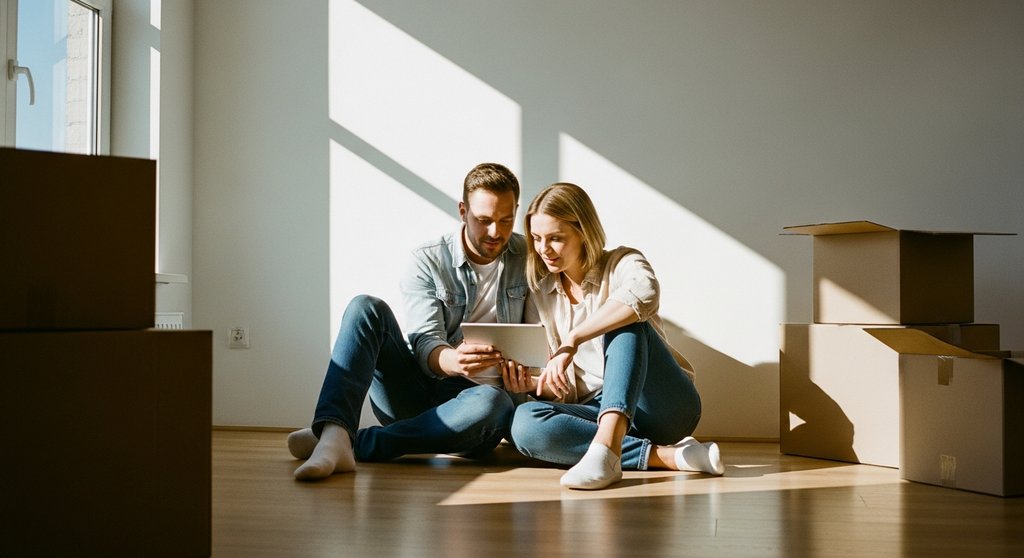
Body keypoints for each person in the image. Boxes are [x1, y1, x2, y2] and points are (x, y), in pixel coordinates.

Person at [287, 162, 530, 481]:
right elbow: (425, 342)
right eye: (483, 220)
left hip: (476, 413)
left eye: (506, 220)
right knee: (365, 307)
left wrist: (533, 376)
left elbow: (545, 331)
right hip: (418, 391)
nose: (496, 232)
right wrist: (454, 361)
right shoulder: (428, 258)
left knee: (492, 402)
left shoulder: (529, 256)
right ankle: (334, 433)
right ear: (462, 211)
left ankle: (347, 442)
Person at [503, 182, 724, 490]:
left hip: (661, 406)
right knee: (524, 423)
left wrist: (574, 339)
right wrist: (537, 384)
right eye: (537, 239)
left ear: (583, 232)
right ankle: (668, 457)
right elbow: (566, 390)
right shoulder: (541, 295)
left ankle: (606, 450)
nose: (543, 249)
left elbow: (644, 294)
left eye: (555, 238)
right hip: (597, 406)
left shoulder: (621, 262)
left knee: (624, 317)